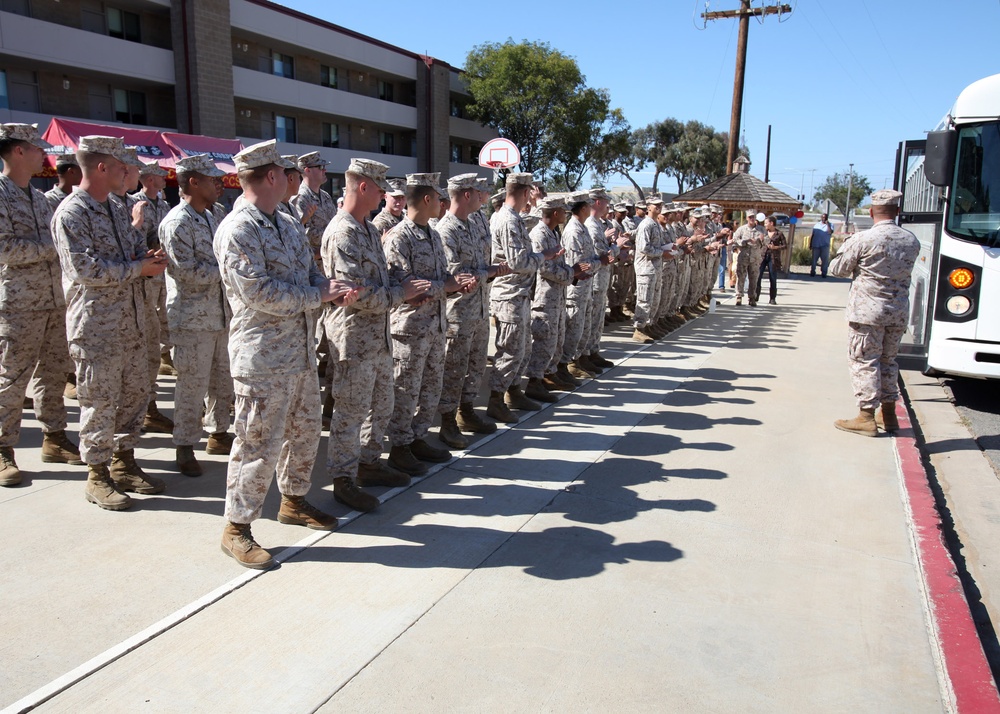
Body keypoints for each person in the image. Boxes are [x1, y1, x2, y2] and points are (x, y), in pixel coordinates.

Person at [215, 140, 355, 569]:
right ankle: (236, 528)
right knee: (257, 443)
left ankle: (293, 501)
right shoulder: (239, 228)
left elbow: (309, 270)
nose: (292, 179)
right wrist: (316, 294)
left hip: (297, 350)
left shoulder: (287, 222)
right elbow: (258, 292)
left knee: (305, 429)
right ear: (272, 176)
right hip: (261, 357)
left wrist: (328, 289)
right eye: (286, 172)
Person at [52, 135, 167, 510]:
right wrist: (138, 267)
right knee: (99, 401)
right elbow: (85, 269)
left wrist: (147, 258)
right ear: (102, 167)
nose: (127, 174)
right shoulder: (72, 213)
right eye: (121, 167)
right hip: (97, 328)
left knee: (133, 396)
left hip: (131, 322)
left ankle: (124, 461)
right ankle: (97, 474)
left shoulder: (117, 210)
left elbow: (130, 253)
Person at [323, 159, 431, 514]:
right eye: (380, 186)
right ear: (364, 187)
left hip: (378, 336)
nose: (386, 193)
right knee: (351, 412)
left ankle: (369, 464)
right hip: (355, 338)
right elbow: (357, 294)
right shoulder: (343, 233)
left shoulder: (366, 229)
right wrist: (403, 294)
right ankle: (343, 479)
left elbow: (380, 282)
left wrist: (406, 287)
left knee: (380, 405)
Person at [0, 124, 82, 487]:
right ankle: (2, 449)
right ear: (18, 151)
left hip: (52, 300)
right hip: (17, 303)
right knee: (12, 377)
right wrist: (52, 248)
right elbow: (4, 248)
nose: (43, 155)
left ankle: (54, 436)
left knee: (52, 372)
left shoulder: (38, 198)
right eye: (36, 149)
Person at [383, 172, 473, 474]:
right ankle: (399, 446)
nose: (442, 203)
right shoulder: (399, 237)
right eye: (437, 198)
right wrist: (444, 286)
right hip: (409, 330)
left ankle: (419, 437)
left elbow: (436, 280)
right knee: (406, 389)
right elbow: (406, 286)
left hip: (434, 324)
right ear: (426, 199)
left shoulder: (433, 234)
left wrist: (455, 283)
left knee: (430, 388)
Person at [159, 155, 234, 477]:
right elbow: (186, 271)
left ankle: (218, 433)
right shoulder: (177, 222)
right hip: (192, 318)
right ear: (192, 182)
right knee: (192, 384)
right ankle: (185, 445)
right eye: (211, 179)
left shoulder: (215, 215)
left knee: (222, 379)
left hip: (220, 314)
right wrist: (230, 271)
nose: (218, 185)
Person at [829, 189, 919, 437]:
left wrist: (848, 246)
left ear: (871, 212)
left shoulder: (864, 239)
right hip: (898, 311)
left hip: (867, 312)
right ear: (897, 212)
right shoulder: (911, 240)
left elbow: (837, 269)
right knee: (888, 361)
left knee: (864, 361)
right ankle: (888, 414)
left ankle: (866, 415)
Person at [435, 173, 507, 449]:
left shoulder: (474, 224)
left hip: (477, 309)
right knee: (453, 368)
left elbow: (481, 265)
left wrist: (493, 269)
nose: (483, 197)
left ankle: (466, 411)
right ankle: (448, 421)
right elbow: (454, 275)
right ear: (467, 195)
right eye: (479, 193)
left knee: (474, 366)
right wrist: (487, 271)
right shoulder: (447, 230)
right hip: (457, 313)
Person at [487, 172, 562, 423]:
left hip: (519, 294)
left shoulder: (514, 219)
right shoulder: (507, 220)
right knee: (509, 350)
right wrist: (545, 256)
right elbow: (519, 262)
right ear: (526, 191)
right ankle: (496, 399)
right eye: (531, 190)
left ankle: (513, 391)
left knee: (521, 349)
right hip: (509, 294)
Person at [527, 195, 590, 396]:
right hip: (544, 297)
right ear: (555, 213)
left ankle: (550, 373)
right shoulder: (539, 234)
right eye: (563, 210)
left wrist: (572, 272)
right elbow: (545, 269)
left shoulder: (552, 233)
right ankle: (536, 381)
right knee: (544, 339)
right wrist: (572, 273)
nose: (566, 213)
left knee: (555, 338)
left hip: (557, 295)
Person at [288, 151, 336, 265]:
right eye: (320, 167)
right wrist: (333, 237)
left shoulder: (326, 196)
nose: (324, 170)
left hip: (330, 260)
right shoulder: (299, 198)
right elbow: (302, 230)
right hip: (313, 263)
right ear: (307, 170)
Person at [631, 196, 664, 343]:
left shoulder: (655, 224)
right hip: (645, 267)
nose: (659, 207)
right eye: (655, 205)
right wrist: (662, 252)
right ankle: (639, 329)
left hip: (654, 268)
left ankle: (649, 325)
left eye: (660, 205)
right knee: (644, 299)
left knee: (654, 299)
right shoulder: (646, 224)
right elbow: (644, 248)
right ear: (648, 207)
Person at [731, 210, 765, 306]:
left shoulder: (761, 230)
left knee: (754, 278)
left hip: (755, 257)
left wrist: (760, 240)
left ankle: (752, 297)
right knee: (741, 276)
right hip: (744, 256)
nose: (752, 219)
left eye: (753, 217)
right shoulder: (741, 229)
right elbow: (735, 240)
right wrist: (744, 242)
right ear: (747, 218)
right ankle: (739, 296)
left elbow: (766, 241)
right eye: (750, 217)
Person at [757, 216, 787, 305]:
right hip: (762, 256)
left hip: (773, 258)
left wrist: (775, 247)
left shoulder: (779, 234)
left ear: (771, 223)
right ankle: (755, 296)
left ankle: (772, 298)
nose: (765, 225)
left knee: (773, 278)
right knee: (758, 276)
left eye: (766, 223)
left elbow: (785, 246)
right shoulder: (763, 233)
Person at [810, 213, 835, 278]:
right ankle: (812, 271)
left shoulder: (830, 225)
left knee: (824, 260)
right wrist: (810, 243)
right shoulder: (817, 225)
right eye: (823, 217)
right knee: (814, 260)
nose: (824, 219)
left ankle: (824, 273)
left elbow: (830, 232)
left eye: (825, 217)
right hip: (816, 244)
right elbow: (813, 234)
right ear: (821, 218)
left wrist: (827, 224)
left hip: (825, 245)